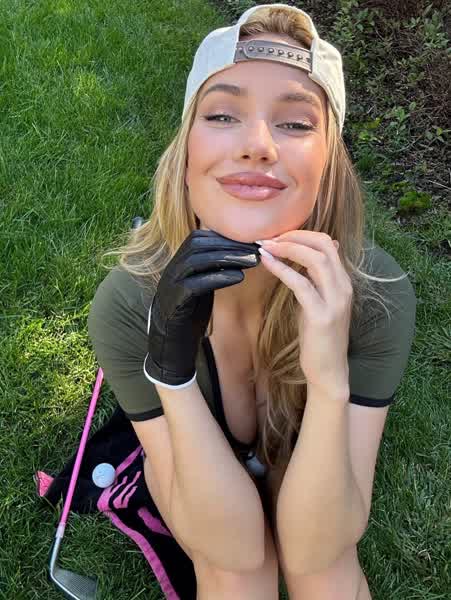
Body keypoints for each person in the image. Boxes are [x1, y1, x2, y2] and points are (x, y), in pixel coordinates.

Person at [87, 4, 416, 599]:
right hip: (203, 484)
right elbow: (232, 551)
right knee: (237, 576)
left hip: (308, 459)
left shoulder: (375, 295)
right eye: (221, 115)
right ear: (186, 154)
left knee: (326, 575)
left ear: (330, 167)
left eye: (295, 123)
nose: (258, 145)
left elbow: (318, 549)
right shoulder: (130, 304)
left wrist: (328, 382)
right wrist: (170, 373)